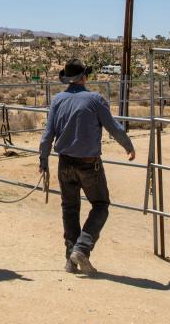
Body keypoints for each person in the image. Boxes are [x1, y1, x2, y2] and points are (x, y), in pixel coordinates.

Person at [39, 58, 135, 275]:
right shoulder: (95, 99)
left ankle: (70, 259)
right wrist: (128, 146)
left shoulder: (57, 100)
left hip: (64, 163)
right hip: (89, 165)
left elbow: (47, 135)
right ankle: (81, 249)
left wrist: (43, 161)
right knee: (101, 204)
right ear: (84, 77)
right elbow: (113, 126)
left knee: (69, 208)